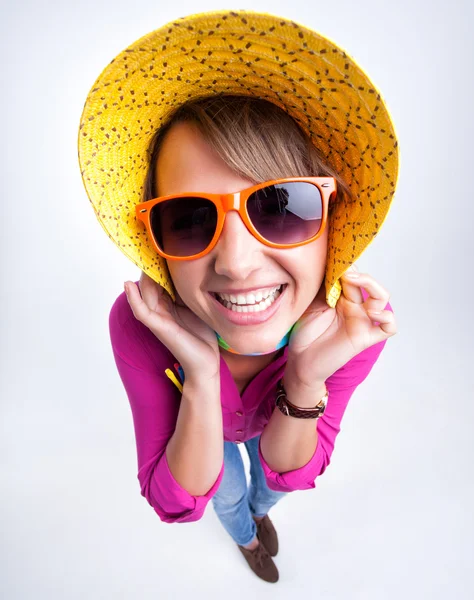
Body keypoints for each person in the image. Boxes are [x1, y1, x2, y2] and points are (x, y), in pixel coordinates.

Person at [78, 10, 399, 584]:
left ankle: (257, 517)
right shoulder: (140, 324)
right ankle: (247, 537)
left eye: (279, 207)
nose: (235, 262)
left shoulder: (354, 327)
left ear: (333, 220)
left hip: (282, 428)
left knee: (268, 490)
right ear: (157, 246)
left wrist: (304, 378)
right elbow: (174, 497)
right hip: (201, 430)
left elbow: (290, 469)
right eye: (188, 218)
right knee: (226, 496)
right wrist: (200, 373)